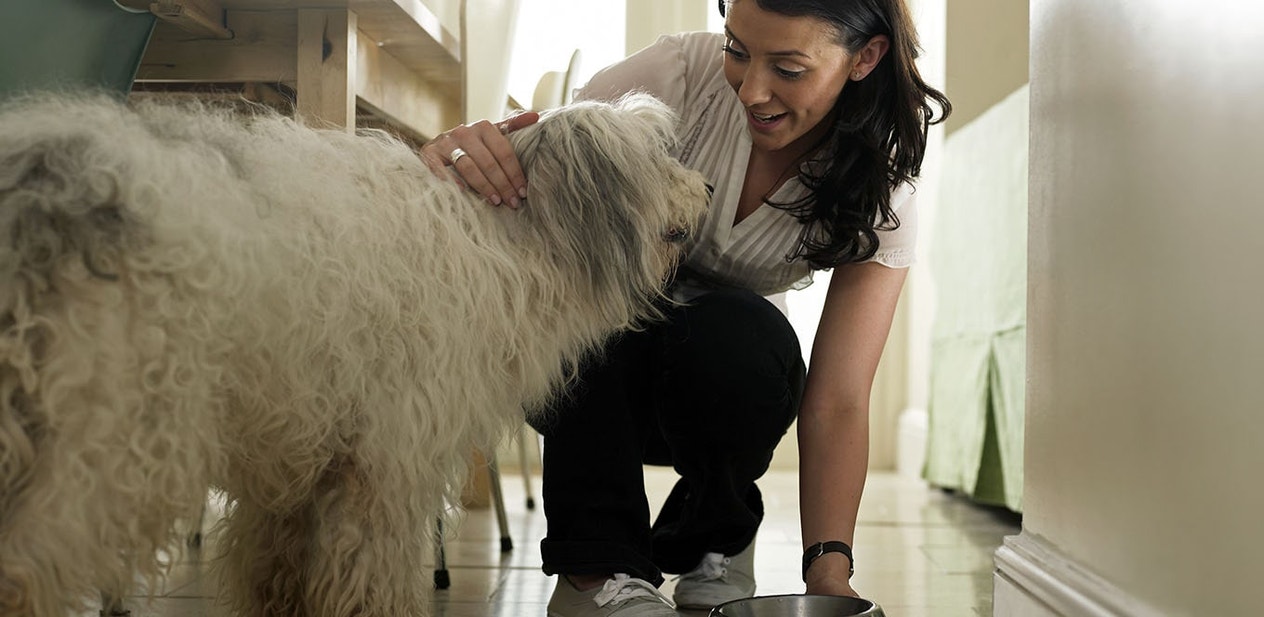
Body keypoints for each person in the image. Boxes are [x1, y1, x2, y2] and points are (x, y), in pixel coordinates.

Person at [419, 0, 950, 615]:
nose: (752, 91)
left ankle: (716, 531)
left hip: (720, 392)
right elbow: (525, 174)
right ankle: (595, 573)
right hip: (588, 391)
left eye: (789, 68)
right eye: (738, 51)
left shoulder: (880, 184)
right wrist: (460, 154)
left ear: (866, 57)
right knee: (599, 305)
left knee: (747, 335)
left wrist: (828, 572)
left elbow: (838, 399)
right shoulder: (671, 77)